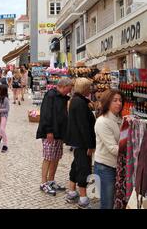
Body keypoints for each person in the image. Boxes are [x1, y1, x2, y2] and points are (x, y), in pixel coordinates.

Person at [36, 78, 74, 195]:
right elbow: (46, 114)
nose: (69, 91)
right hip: (50, 133)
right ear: (63, 86)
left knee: (56, 157)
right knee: (48, 157)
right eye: (68, 89)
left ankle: (51, 180)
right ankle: (43, 183)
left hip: (59, 133)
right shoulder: (50, 96)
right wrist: (49, 131)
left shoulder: (62, 97)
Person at [64, 78, 96, 209]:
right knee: (84, 168)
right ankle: (83, 199)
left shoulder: (76, 101)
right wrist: (90, 145)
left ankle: (72, 192)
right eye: (89, 87)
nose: (91, 90)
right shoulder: (80, 103)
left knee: (76, 165)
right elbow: (84, 127)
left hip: (77, 141)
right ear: (84, 88)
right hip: (82, 142)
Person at [94, 90, 124, 209]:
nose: (119, 103)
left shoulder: (119, 119)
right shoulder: (102, 122)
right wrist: (133, 149)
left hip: (116, 166)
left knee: (114, 202)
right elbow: (113, 148)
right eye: (115, 100)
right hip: (105, 168)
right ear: (107, 102)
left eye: (120, 100)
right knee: (107, 204)